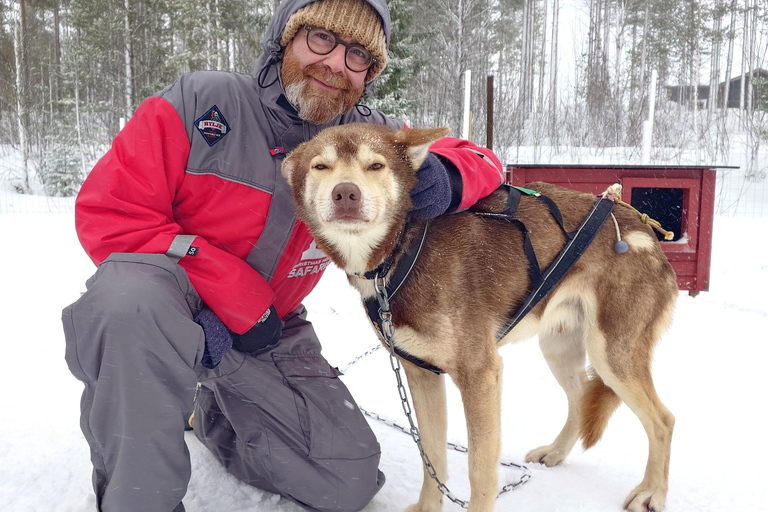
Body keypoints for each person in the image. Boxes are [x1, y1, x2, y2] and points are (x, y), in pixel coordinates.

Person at [61, 0, 504, 511]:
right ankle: (139, 495)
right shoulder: (201, 101)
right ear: (284, 39)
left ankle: (211, 412)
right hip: (169, 311)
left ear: (370, 73)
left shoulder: (371, 137)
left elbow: (482, 158)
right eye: (320, 38)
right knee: (128, 301)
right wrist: (230, 296)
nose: (336, 62)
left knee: (346, 480)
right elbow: (109, 212)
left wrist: (450, 175)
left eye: (358, 54)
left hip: (269, 330)